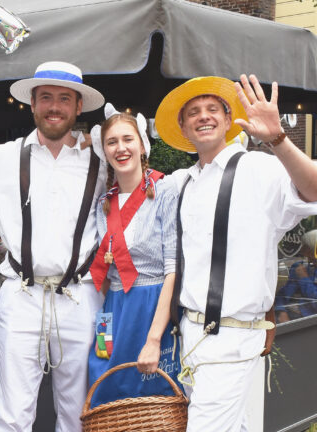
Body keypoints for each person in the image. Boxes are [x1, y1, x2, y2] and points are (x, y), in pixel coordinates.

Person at [154, 74, 317, 431]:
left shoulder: (258, 167)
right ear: (184, 128)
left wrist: (278, 139)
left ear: (227, 120)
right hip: (191, 335)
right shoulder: (186, 182)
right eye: (193, 112)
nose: (203, 116)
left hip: (232, 338)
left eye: (212, 108)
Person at [0, 61, 106, 432]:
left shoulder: (99, 159)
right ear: (32, 104)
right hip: (21, 296)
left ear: (79, 106)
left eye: (64, 99)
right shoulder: (3, 157)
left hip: (81, 298)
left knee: (79, 416)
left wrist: (103, 136)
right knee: (13, 416)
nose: (54, 107)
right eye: (45, 97)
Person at [86, 103, 181, 408]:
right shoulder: (102, 203)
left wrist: (154, 339)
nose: (121, 148)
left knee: (154, 399)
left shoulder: (165, 191)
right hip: (113, 309)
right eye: (112, 142)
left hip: (152, 307)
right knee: (104, 385)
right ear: (104, 151)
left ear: (142, 145)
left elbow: (173, 269)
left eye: (128, 139)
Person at [276, 228, 317, 322]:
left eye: (305, 246)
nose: (301, 249)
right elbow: (283, 294)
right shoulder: (300, 266)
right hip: (291, 316)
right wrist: (281, 311)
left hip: (316, 321)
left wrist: (304, 278)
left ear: (316, 248)